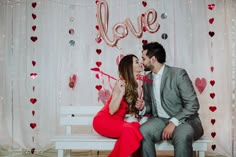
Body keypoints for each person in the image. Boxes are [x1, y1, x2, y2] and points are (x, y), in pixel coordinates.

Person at [135, 42, 204, 157]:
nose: (142, 62)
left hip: (185, 121)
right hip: (160, 120)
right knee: (142, 132)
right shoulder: (147, 78)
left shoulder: (178, 74)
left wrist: (174, 122)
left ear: (153, 59)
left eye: (143, 58)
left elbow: (193, 104)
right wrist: (143, 107)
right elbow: (150, 106)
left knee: (182, 136)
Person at [93, 54, 144, 157]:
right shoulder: (120, 83)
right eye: (137, 62)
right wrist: (121, 93)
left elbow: (134, 111)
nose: (140, 64)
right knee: (130, 130)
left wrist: (141, 106)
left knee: (137, 127)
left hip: (118, 122)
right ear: (130, 66)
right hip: (103, 120)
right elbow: (112, 110)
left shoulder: (137, 85)